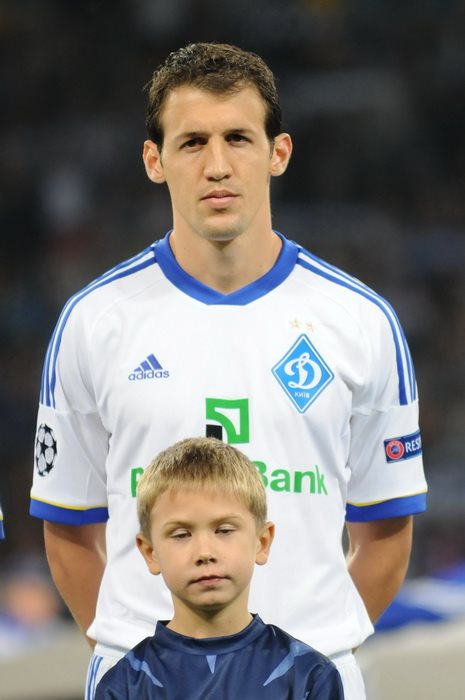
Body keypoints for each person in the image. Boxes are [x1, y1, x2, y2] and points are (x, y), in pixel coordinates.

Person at [30, 42, 427, 700]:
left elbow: (386, 529)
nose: (217, 166)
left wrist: (310, 656)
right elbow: (68, 529)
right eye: (192, 142)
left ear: (278, 152)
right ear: (154, 160)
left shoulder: (360, 322)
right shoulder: (93, 322)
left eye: (238, 138)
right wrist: (143, 660)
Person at [94, 436, 344, 699]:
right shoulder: (124, 685)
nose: (205, 553)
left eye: (224, 530)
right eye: (181, 534)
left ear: (261, 542)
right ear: (150, 552)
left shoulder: (309, 675)